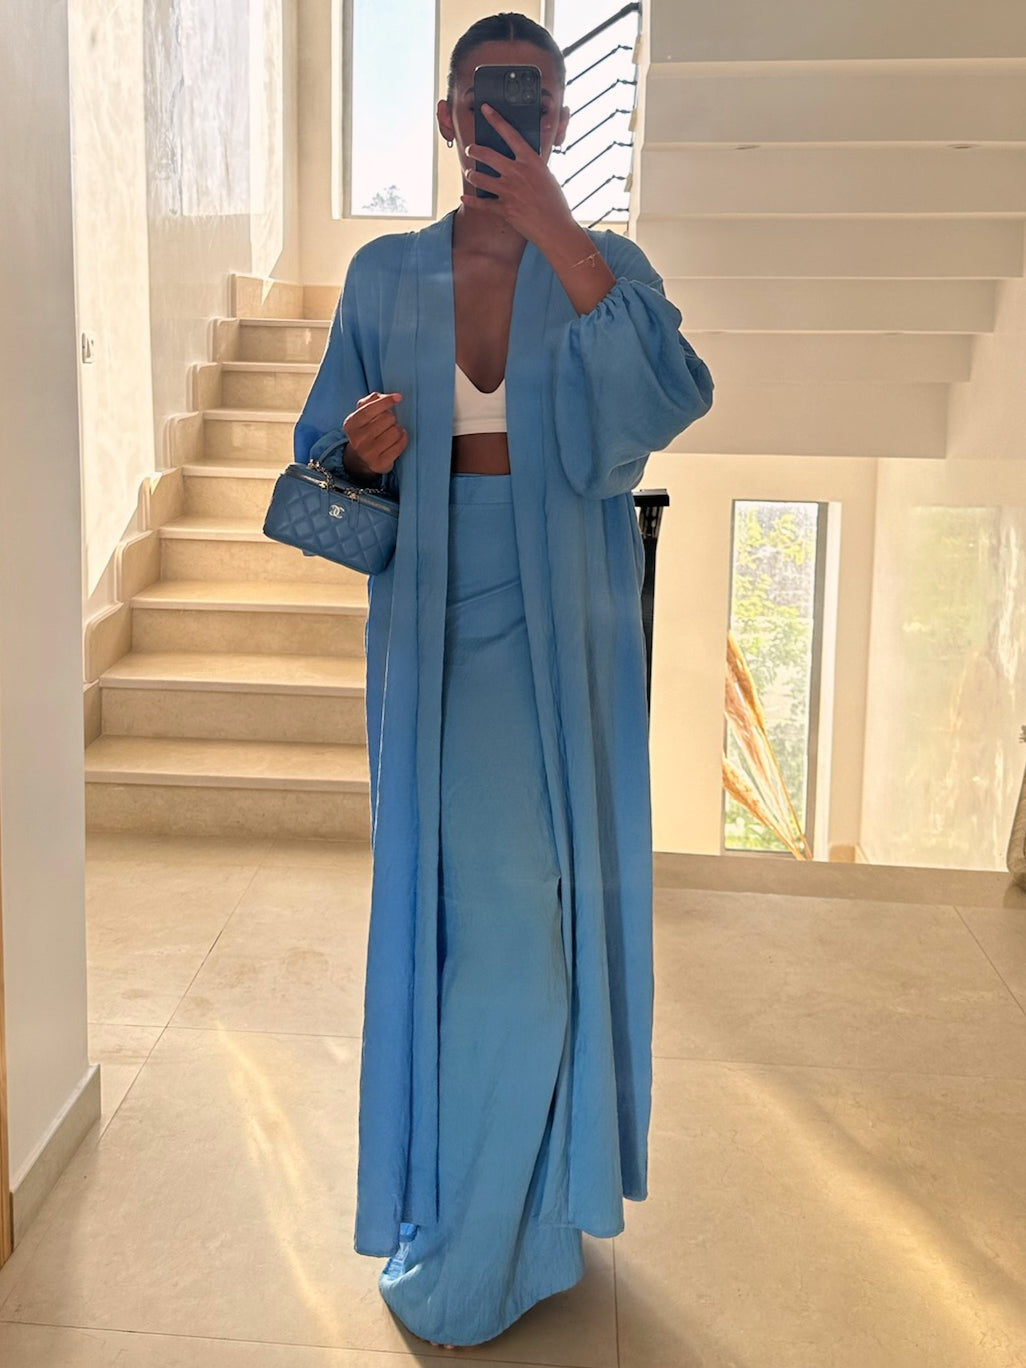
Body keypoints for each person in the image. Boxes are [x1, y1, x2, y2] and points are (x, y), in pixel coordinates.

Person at [292, 11, 714, 1351]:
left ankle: (530, 1215)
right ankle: (479, 1233)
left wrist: (558, 234)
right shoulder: (385, 276)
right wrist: (360, 455)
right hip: (441, 616)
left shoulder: (608, 265)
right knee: (497, 934)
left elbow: (665, 398)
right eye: (488, 88)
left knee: (552, 917)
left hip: (570, 616)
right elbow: (320, 463)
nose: (510, 106)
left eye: (534, 90)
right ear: (447, 115)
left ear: (563, 120)